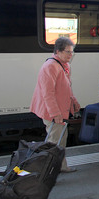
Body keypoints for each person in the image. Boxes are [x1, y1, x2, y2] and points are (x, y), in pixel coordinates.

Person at [30, 37, 80, 173]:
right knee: (54, 142)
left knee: (60, 139)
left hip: (61, 110)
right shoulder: (50, 66)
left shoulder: (64, 65)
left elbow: (67, 87)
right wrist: (55, 114)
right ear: (57, 51)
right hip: (53, 112)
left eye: (72, 52)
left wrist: (73, 101)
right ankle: (48, 172)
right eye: (68, 52)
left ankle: (61, 166)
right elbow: (48, 93)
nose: (71, 55)